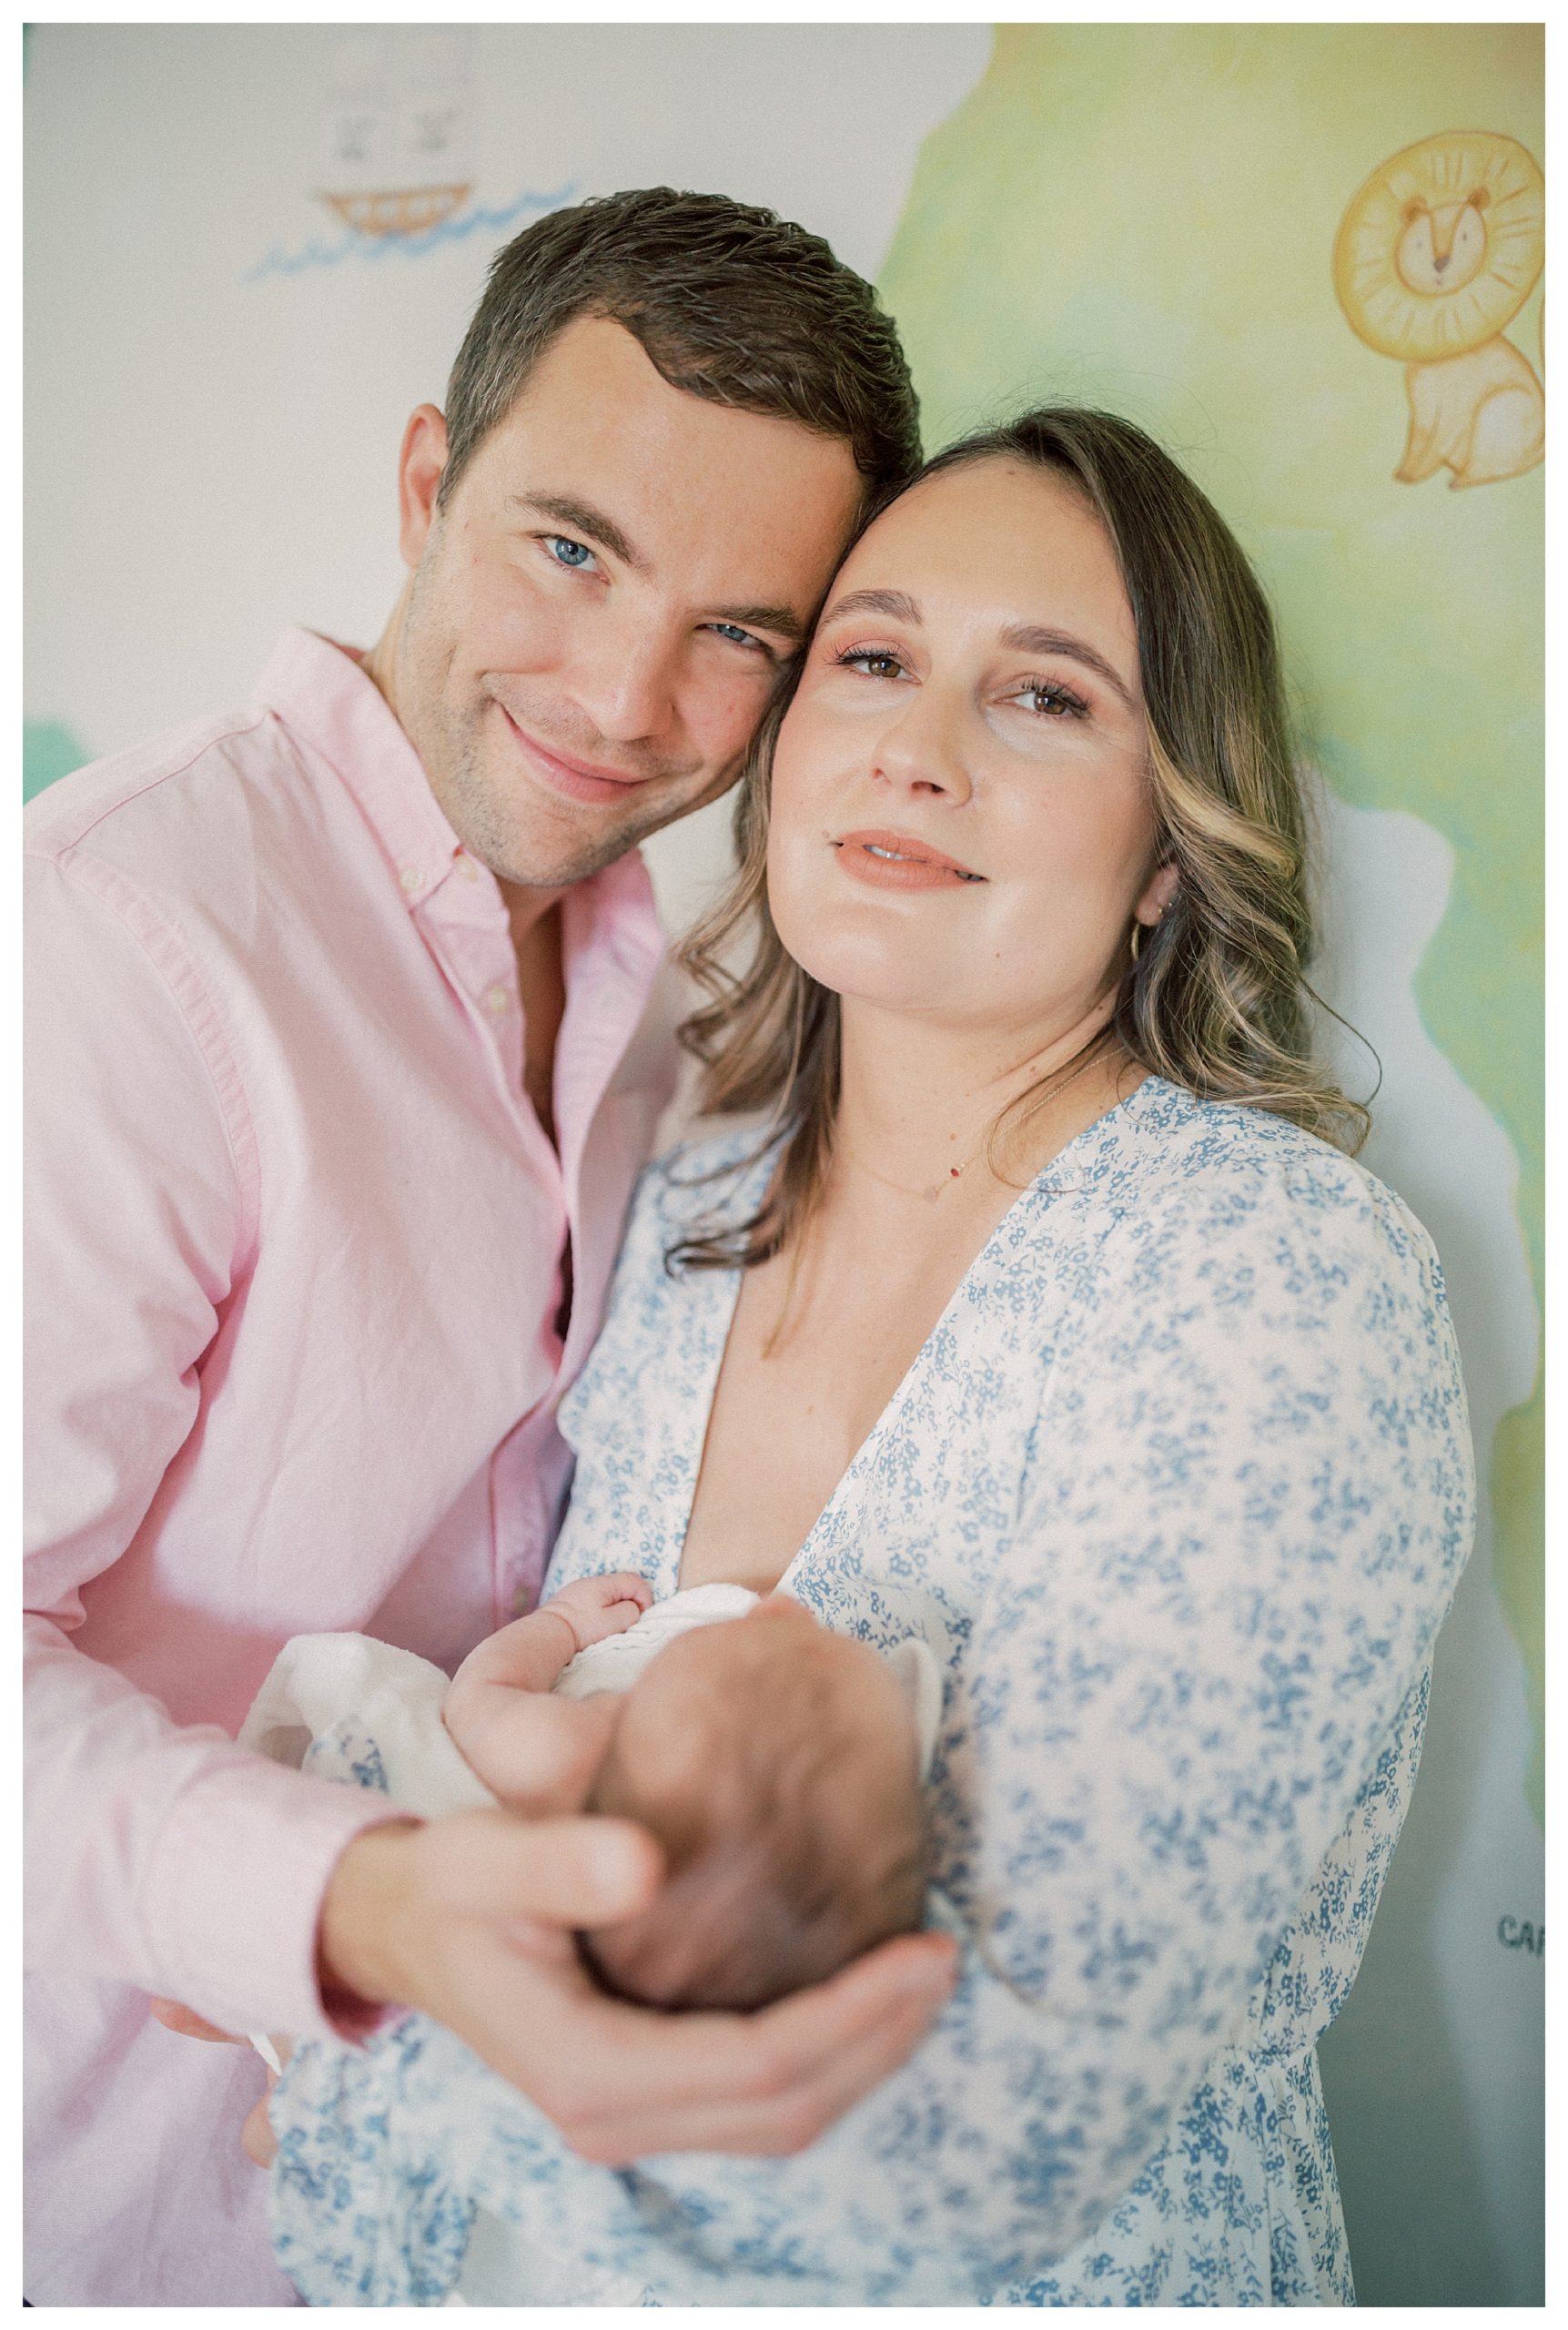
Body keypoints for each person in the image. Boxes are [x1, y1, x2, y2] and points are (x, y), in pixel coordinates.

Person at [265, 406, 1476, 2307]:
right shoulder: (677, 1190)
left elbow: (1014, 2124)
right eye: (876, 659)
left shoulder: (1266, 1281)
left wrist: (364, 2031)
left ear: (1171, 845)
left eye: (1049, 698)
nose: (915, 752)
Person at [23, 187, 961, 2308]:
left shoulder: (676, 992)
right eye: (570, 547)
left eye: (742, 632)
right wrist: (374, 1899)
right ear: (428, 479)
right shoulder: (112, 941)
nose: (629, 698)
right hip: (115, 2207)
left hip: (449, 2205)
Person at [240, 1575, 936, 2017]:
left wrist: (564, 1626)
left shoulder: (558, 1753)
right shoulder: (684, 1971)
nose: (784, 1609)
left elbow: (484, 1690)